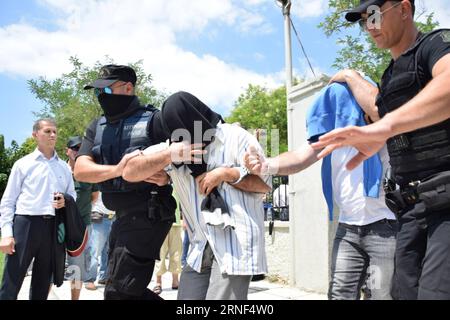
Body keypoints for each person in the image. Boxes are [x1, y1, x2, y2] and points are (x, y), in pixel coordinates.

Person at [311, 0, 450, 300]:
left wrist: (383, 128)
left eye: (373, 15)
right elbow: (378, 108)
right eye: (363, 21)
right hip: (411, 210)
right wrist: (350, 76)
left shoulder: (436, 44)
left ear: (403, 9)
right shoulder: (388, 78)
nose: (369, 26)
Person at [246, 83, 397, 300]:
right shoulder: (329, 138)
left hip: (385, 227)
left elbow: (378, 109)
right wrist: (266, 165)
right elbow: (298, 157)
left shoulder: (379, 127)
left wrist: (348, 75)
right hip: (348, 228)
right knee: (339, 294)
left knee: (382, 295)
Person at [122, 91, 271, 300]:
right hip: (199, 246)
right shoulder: (176, 146)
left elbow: (264, 186)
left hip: (235, 245)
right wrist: (168, 155)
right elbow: (129, 171)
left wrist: (226, 174)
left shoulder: (236, 138)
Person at [74, 65, 176, 300]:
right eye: (98, 92)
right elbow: (81, 170)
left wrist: (168, 176)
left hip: (149, 213)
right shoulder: (97, 127)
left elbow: (184, 157)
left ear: (128, 88)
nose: (101, 97)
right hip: (120, 217)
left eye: (106, 90)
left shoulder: (155, 120)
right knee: (122, 290)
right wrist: (118, 170)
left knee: (119, 291)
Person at [0, 119, 76, 300]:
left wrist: (65, 202)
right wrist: (6, 233)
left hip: (53, 228)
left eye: (55, 132)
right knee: (11, 282)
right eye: (48, 131)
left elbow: (72, 195)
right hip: (25, 225)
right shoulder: (23, 164)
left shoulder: (64, 168)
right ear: (35, 135)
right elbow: (8, 201)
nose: (52, 135)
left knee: (42, 285)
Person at [65, 136, 99, 299]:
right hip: (57, 225)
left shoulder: (88, 172)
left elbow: (94, 196)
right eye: (75, 148)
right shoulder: (58, 170)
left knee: (77, 267)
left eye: (81, 148)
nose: (78, 151)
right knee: (49, 265)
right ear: (67, 151)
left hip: (82, 226)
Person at [153, 189, 183, 295]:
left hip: (176, 223)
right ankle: (158, 282)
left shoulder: (176, 180)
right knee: (160, 253)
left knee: (176, 253)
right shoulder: (157, 181)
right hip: (160, 222)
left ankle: (175, 281)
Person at [87, 192, 115, 286]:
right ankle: (89, 280)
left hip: (113, 217)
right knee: (95, 250)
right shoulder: (99, 181)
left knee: (108, 250)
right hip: (100, 217)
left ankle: (104, 277)